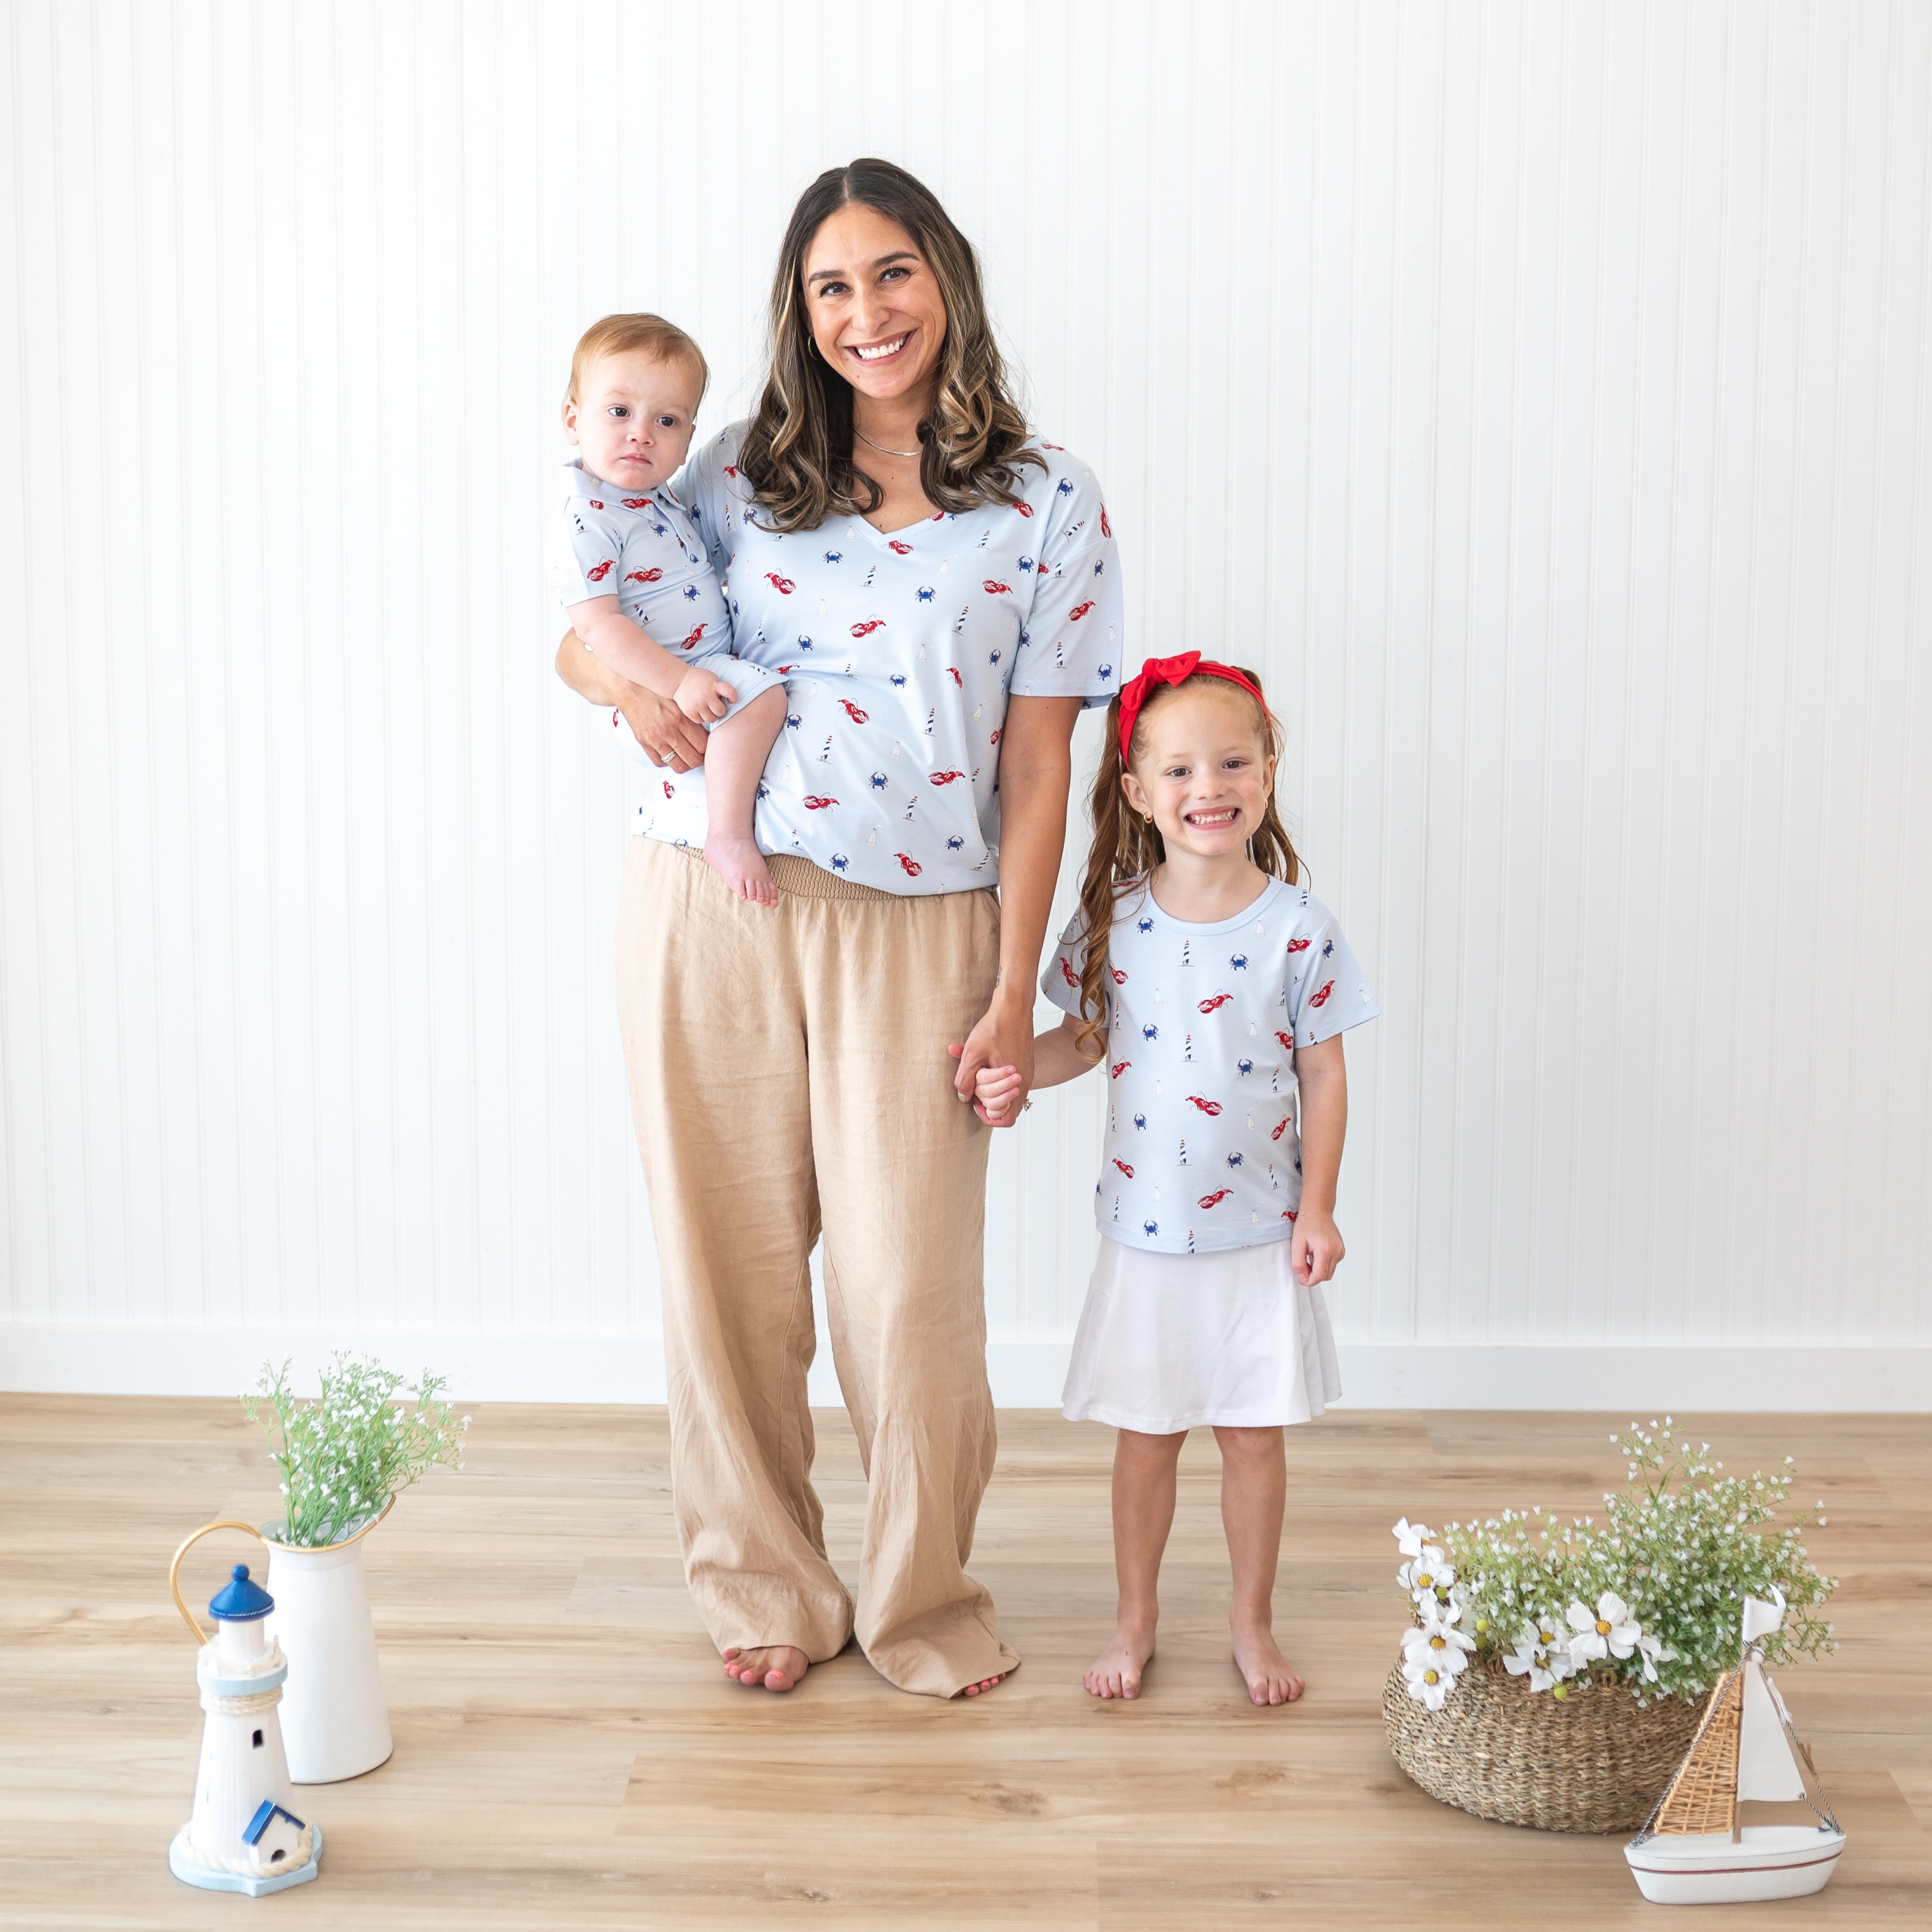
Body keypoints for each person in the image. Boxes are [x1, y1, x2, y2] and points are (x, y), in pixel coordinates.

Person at [554, 159, 1121, 1698]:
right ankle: (762, 1589)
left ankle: (921, 1600)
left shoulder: (1047, 496)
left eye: (890, 272)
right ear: (797, 312)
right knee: (725, 1271)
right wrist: (621, 684)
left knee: (908, 1293)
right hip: (706, 904)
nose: (865, 311)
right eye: (830, 286)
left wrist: (1015, 988)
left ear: (945, 276)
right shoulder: (730, 468)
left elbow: (1037, 762)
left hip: (922, 933)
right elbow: (582, 612)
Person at [974, 654, 1380, 1706]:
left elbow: (1323, 1071)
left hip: (1258, 1230)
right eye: (1183, 768)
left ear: (1267, 770)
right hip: (1145, 1233)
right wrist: (1018, 1075)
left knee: (1250, 1436)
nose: (1211, 786)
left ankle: (1251, 1620)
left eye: (1233, 760)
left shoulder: (1298, 927)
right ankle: (1134, 1616)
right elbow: (1080, 1039)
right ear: (1138, 790)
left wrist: (1320, 1207)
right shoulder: (1112, 919)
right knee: (1145, 1436)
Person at [550, 313, 788, 906]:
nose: (641, 434)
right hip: (672, 687)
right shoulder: (588, 518)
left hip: (697, 671)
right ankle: (727, 835)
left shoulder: (659, 502)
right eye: (619, 412)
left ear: (688, 438)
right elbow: (595, 628)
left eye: (666, 420)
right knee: (760, 700)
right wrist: (678, 681)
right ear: (573, 419)